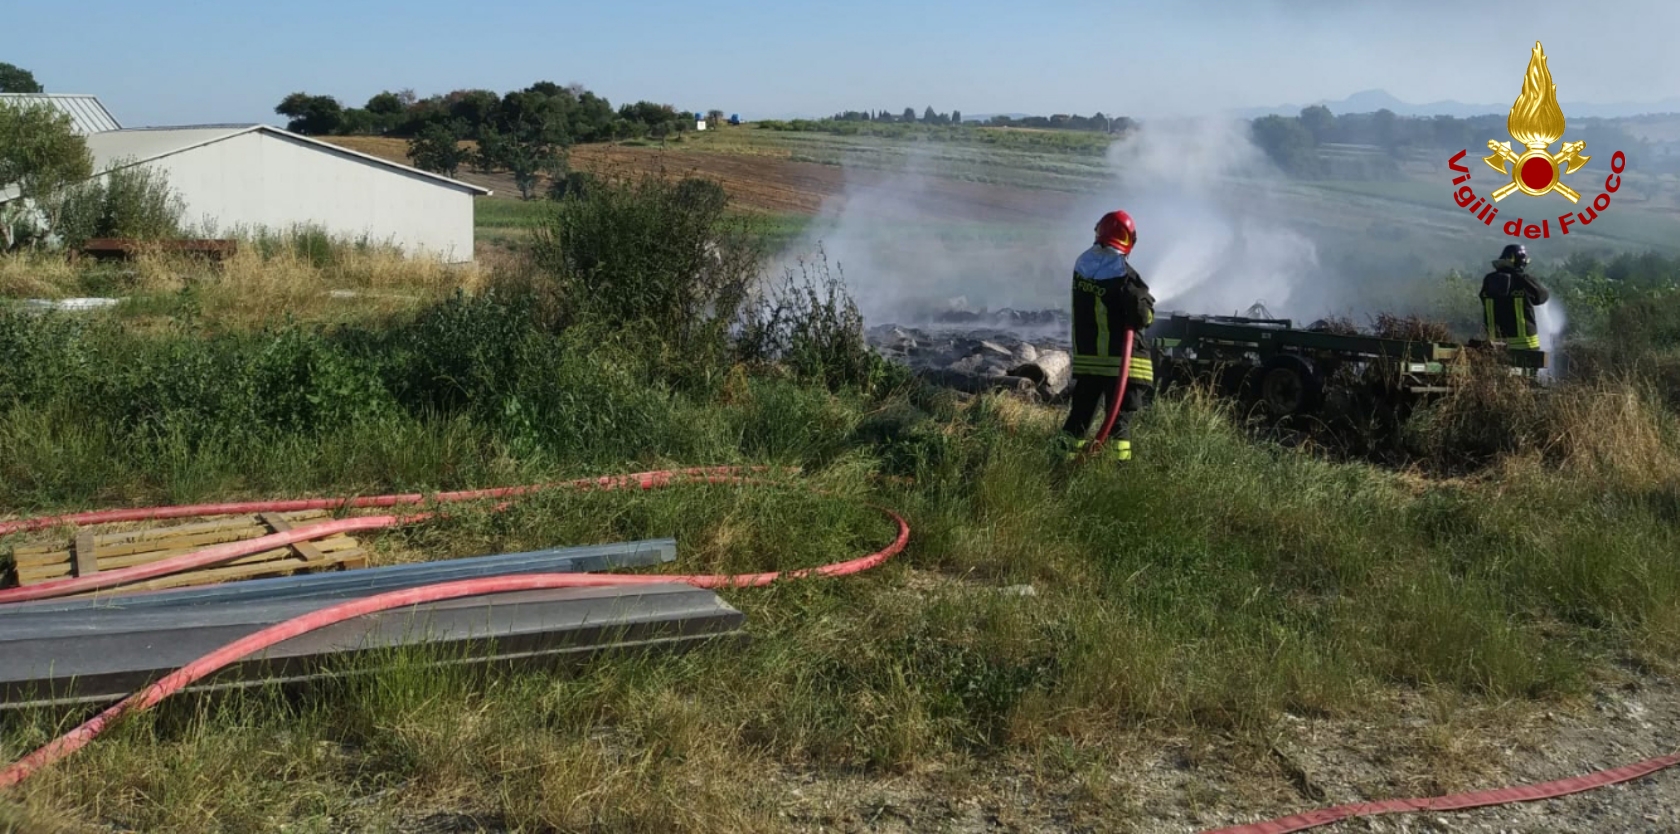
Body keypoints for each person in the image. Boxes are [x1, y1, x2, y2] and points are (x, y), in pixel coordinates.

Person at [1061, 209, 1156, 462]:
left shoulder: (1082, 266)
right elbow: (1141, 315)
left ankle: (1058, 462)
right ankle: (1120, 470)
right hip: (1123, 363)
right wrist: (1149, 313)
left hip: (1089, 361)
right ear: (1128, 239)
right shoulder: (1123, 272)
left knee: (1079, 418)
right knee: (1119, 423)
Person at [1480, 244, 1549, 351]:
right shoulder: (1525, 280)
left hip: (1495, 345)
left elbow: (1483, 298)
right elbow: (1542, 296)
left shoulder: (1489, 280)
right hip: (1525, 345)